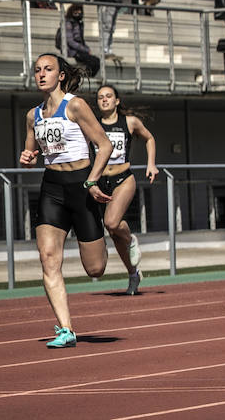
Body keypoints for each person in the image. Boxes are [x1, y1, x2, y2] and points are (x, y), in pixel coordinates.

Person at [19, 53, 114, 348]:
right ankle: (66, 329)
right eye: (37, 71)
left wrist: (92, 180)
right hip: (52, 188)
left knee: (95, 269)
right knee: (48, 259)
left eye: (48, 69)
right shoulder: (33, 115)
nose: (41, 74)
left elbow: (104, 145)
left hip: (81, 185)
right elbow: (30, 152)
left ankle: (113, 237)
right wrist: (27, 157)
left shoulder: (75, 105)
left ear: (61, 75)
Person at [92, 86, 157, 294]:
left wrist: (151, 164)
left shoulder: (129, 122)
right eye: (100, 97)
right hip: (101, 182)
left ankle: (132, 238)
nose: (104, 100)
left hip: (123, 178)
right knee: (113, 232)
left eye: (108, 96)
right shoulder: (92, 125)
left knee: (112, 223)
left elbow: (149, 138)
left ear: (117, 101)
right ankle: (133, 273)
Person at [58, 4, 100, 77]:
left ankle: (87, 76)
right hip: (72, 51)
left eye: (80, 10)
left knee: (96, 61)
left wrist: (87, 49)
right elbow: (70, 41)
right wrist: (85, 50)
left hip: (79, 50)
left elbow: (81, 40)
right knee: (93, 61)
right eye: (76, 10)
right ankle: (84, 77)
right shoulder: (68, 23)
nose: (78, 12)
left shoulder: (78, 23)